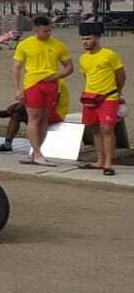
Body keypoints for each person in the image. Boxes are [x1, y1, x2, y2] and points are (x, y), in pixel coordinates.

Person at [12, 14, 73, 165]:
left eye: (49, 30)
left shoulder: (58, 45)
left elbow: (69, 67)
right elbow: (16, 67)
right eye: (44, 31)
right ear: (35, 30)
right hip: (33, 83)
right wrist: (17, 89)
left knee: (45, 118)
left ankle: (35, 152)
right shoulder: (25, 44)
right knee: (34, 117)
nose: (48, 33)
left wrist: (57, 75)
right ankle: (37, 153)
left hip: (52, 84)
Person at [77, 22, 124, 175]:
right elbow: (86, 76)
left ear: (97, 38)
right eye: (83, 39)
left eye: (88, 38)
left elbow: (121, 76)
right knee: (95, 129)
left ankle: (109, 163)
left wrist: (118, 92)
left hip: (109, 96)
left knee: (107, 129)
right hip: (90, 97)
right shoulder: (83, 58)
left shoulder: (109, 54)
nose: (85, 42)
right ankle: (100, 160)